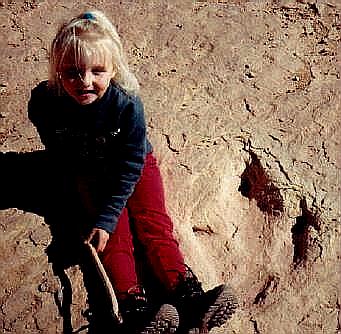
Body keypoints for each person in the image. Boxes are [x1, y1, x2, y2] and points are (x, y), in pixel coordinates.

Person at [27, 10, 237, 334]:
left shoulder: (126, 104)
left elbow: (131, 164)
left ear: (113, 69)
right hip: (91, 172)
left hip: (133, 165)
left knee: (153, 223)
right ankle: (134, 306)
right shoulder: (45, 100)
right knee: (113, 237)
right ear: (57, 69)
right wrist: (79, 188)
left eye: (97, 71)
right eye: (71, 72)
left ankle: (186, 294)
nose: (84, 81)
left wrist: (108, 211)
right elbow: (54, 143)